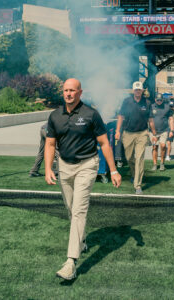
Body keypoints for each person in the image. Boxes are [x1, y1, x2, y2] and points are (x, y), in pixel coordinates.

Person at [44, 78, 121, 281]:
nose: (68, 93)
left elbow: (104, 143)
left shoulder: (91, 114)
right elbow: (50, 144)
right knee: (70, 209)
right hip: (65, 166)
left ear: (80, 92)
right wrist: (47, 169)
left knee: (79, 210)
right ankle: (82, 240)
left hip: (87, 165)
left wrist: (113, 170)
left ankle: (71, 262)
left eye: (72, 90)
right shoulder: (55, 115)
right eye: (66, 90)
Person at [115, 81, 157, 195]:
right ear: (133, 91)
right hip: (127, 133)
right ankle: (134, 174)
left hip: (142, 134)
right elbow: (120, 116)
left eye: (139, 90)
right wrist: (118, 131)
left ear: (142, 91)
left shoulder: (147, 103)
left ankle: (137, 185)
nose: (138, 91)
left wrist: (154, 134)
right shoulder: (126, 101)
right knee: (129, 158)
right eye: (136, 90)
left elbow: (151, 120)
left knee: (139, 159)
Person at [149, 93, 174, 171]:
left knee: (163, 146)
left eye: (160, 100)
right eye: (158, 100)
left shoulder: (167, 107)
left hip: (164, 130)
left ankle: (162, 164)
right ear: (155, 100)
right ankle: (154, 164)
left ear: (163, 100)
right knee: (154, 147)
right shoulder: (151, 107)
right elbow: (149, 119)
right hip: (153, 131)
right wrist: (149, 131)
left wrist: (172, 130)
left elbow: (171, 119)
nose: (159, 101)